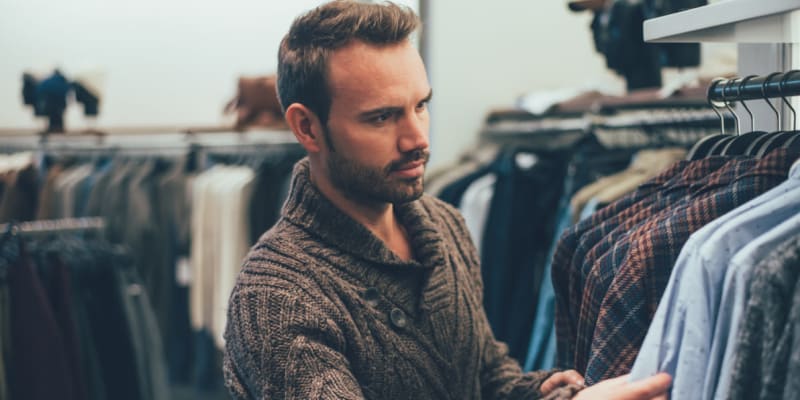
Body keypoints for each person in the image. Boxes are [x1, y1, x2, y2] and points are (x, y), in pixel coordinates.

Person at [222, 1, 672, 399]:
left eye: (420, 105)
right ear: (307, 128)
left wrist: (551, 394)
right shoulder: (277, 296)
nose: (417, 138)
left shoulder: (443, 225)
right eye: (382, 117)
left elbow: (487, 379)